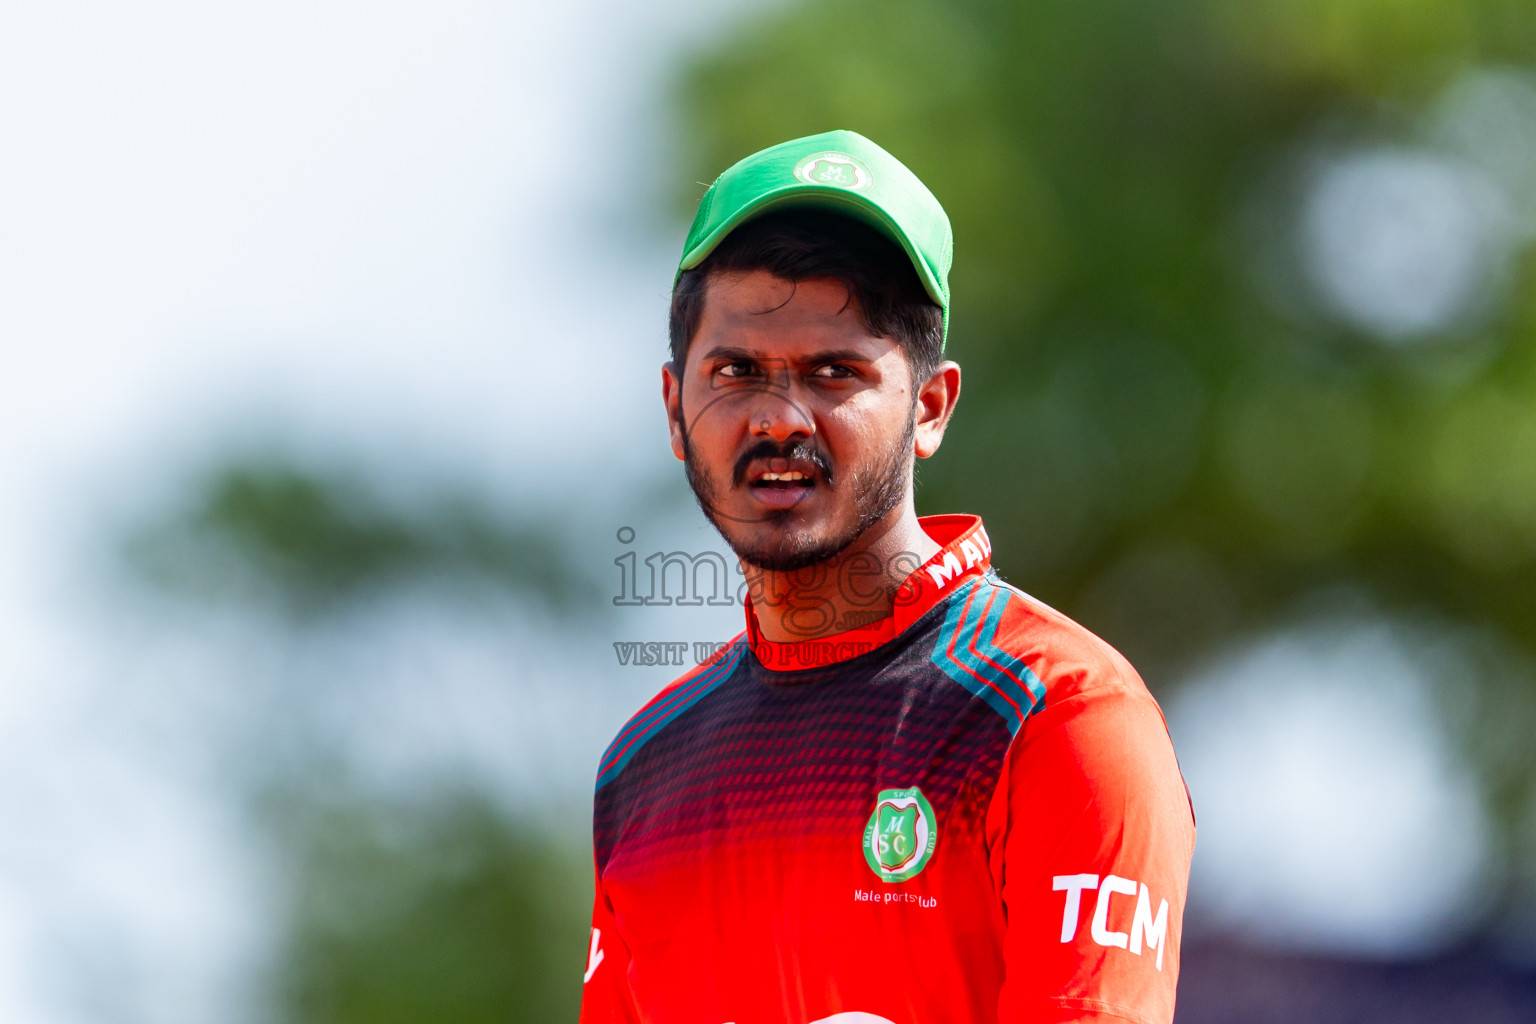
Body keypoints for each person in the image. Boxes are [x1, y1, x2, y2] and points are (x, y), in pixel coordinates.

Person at [580, 130, 1195, 1024]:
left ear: (931, 408)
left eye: (835, 372)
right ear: (676, 412)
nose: (781, 418)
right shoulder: (642, 773)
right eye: (736, 372)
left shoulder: (1060, 714)